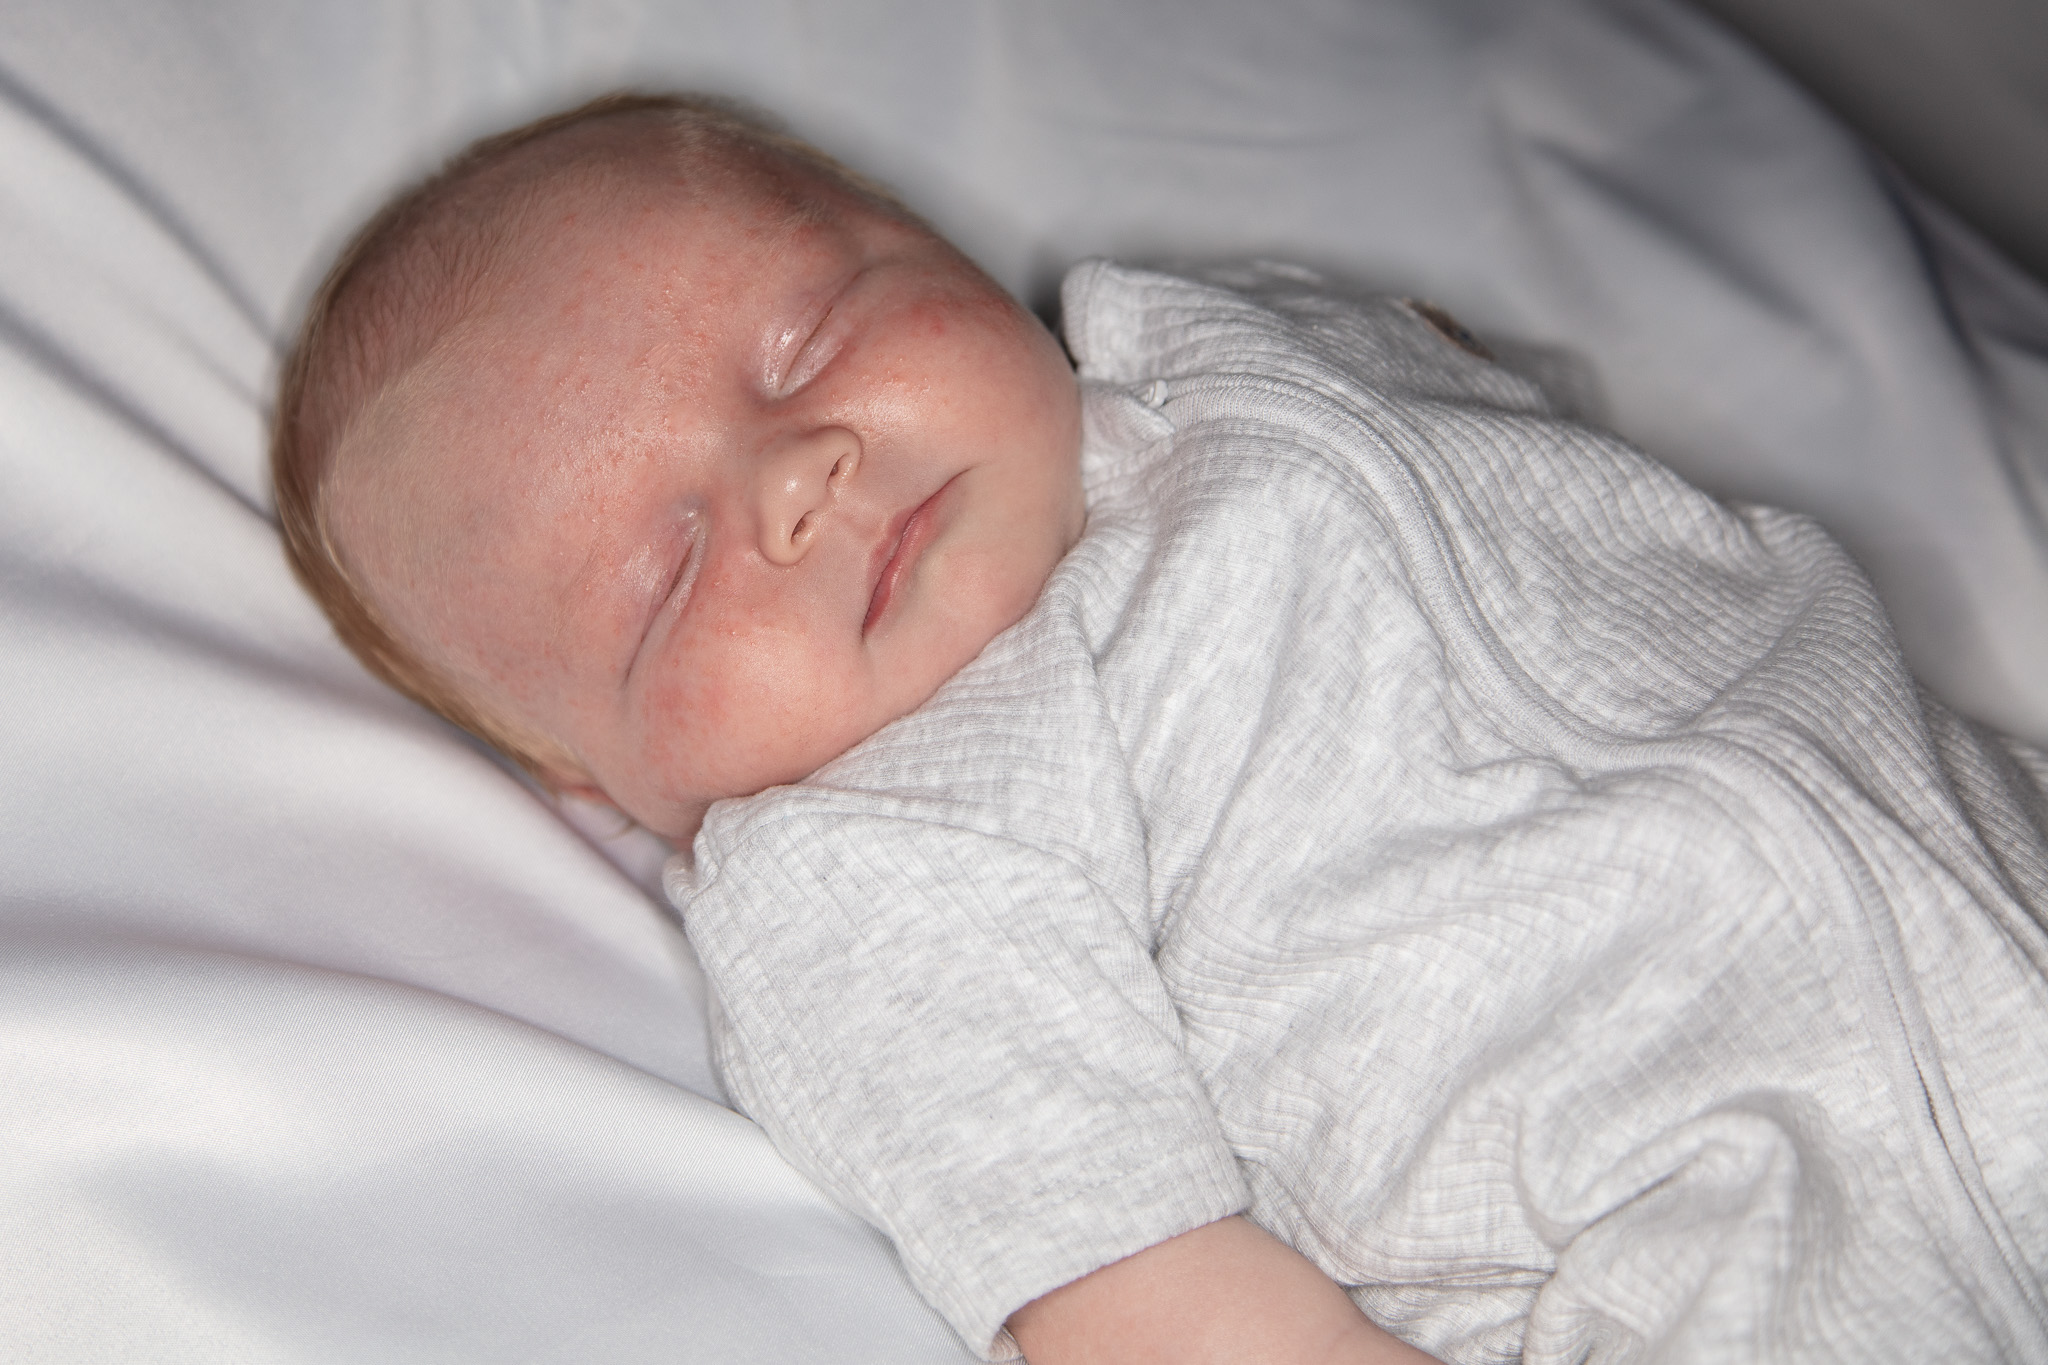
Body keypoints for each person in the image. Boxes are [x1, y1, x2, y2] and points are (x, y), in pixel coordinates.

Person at [273, 93, 2048, 1364]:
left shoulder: (1210, 342)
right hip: (1748, 1250)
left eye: (810, 335)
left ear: (935, 248)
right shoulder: (878, 858)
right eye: (667, 576)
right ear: (604, 780)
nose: (798, 473)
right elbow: (1140, 1291)